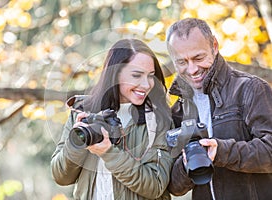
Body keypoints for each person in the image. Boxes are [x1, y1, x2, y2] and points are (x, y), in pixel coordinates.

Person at [51, 38, 174, 199]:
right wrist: (77, 142)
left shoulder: (159, 121)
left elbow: (155, 185)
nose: (146, 84)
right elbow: (61, 176)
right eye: (136, 75)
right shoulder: (83, 111)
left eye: (151, 76)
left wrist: (108, 152)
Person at [165, 18, 272, 200]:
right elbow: (175, 187)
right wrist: (185, 166)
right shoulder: (178, 111)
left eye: (198, 58)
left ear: (214, 45)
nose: (192, 70)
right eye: (182, 62)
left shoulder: (250, 89)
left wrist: (222, 152)